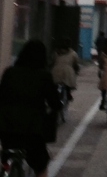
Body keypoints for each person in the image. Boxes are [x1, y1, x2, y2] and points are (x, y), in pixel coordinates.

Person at [0, 40, 61, 177]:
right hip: (32, 131)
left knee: (7, 154)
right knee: (40, 165)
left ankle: (6, 167)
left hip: (7, 128)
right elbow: (55, 103)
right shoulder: (44, 76)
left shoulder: (9, 73)